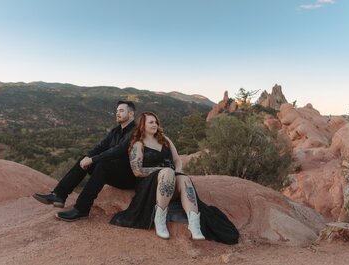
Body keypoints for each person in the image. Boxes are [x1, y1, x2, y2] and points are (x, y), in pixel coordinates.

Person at [110, 112, 239, 244]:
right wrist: (164, 170)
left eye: (156, 122)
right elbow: (137, 171)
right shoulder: (138, 144)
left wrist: (177, 172)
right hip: (149, 184)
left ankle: (194, 225)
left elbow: (177, 160)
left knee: (184, 180)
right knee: (167, 172)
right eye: (151, 122)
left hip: (170, 178)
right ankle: (159, 220)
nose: (155, 124)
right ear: (142, 125)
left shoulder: (164, 140)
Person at [33, 100, 137, 222]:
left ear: (131, 114)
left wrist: (93, 159)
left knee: (102, 165)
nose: (117, 113)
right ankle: (59, 195)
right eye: (117, 111)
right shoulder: (115, 131)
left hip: (128, 176)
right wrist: (88, 157)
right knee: (85, 159)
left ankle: (81, 209)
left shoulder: (135, 131)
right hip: (113, 170)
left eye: (121, 111)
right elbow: (101, 147)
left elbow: (118, 151)